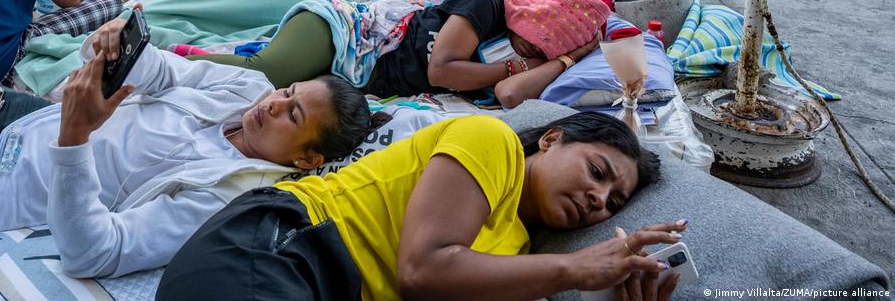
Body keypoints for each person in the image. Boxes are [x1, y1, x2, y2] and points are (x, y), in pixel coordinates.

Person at [0, 11, 387, 280]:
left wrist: (75, 138)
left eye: (292, 114)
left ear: (307, 159)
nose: (272, 102)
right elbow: (163, 74)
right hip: (18, 122)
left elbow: (97, 252)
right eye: (286, 90)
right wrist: (118, 48)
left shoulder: (226, 198)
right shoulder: (246, 87)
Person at [158, 112, 686, 301]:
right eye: (597, 172)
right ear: (550, 140)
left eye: (613, 203)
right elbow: (422, 270)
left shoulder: (517, 253)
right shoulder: (491, 140)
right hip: (278, 248)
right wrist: (575, 270)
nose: (598, 200)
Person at [191, 0, 610, 109]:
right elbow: (442, 72)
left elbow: (509, 95)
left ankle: (194, 58)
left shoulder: (531, 60)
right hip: (344, 34)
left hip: (347, 73)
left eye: (539, 50)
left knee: (246, 94)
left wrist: (566, 60)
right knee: (266, 73)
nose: (524, 49)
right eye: (532, 40)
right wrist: (517, 66)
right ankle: (169, 59)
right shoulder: (489, 5)